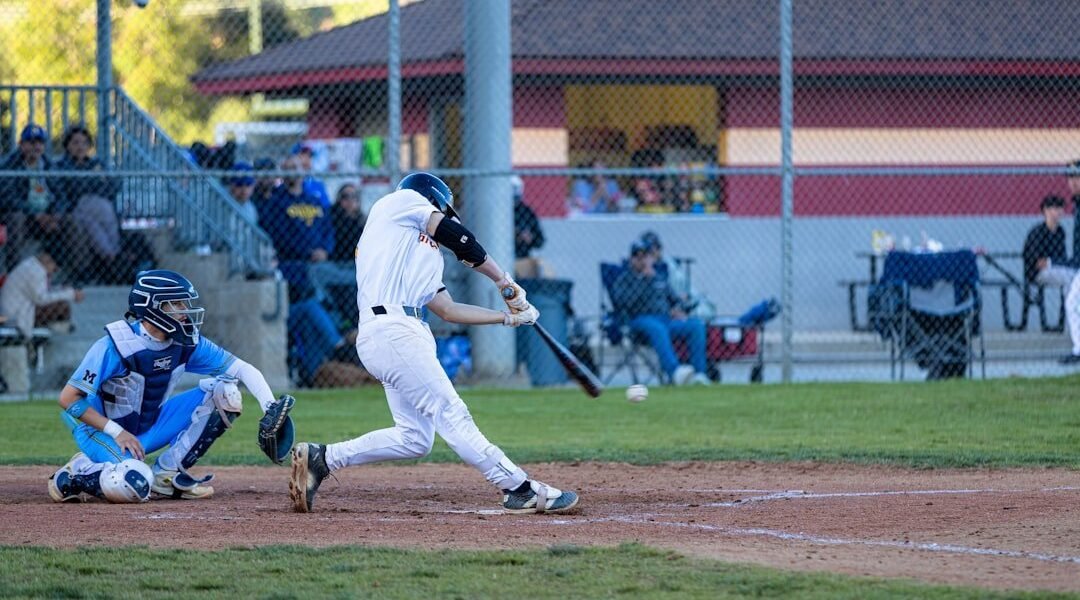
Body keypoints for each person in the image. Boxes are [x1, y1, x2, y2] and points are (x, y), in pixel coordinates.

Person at [289, 172, 579, 515]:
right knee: (451, 412)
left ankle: (324, 458)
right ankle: (518, 487)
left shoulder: (413, 251)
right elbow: (459, 238)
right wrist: (504, 280)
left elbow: (448, 309)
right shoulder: (400, 201)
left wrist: (507, 317)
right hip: (392, 328)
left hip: (402, 333)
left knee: (415, 438)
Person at [46, 269, 291, 503]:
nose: (186, 311)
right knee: (136, 481)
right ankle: (77, 472)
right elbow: (68, 398)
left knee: (226, 391)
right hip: (104, 434)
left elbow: (242, 369)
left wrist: (269, 406)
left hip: (150, 426)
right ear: (153, 307)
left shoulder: (185, 342)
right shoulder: (115, 345)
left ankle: (167, 475)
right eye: (178, 304)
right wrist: (116, 432)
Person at [611, 240, 710, 386]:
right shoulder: (624, 280)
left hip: (666, 319)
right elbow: (625, 304)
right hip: (640, 320)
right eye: (638, 257)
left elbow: (674, 300)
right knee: (656, 328)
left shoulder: (659, 277)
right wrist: (644, 280)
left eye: (645, 257)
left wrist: (679, 309)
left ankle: (699, 374)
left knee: (696, 325)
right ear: (631, 259)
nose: (642, 261)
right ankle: (675, 372)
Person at [258, 154, 334, 300]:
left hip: (322, 259)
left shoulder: (314, 201)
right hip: (294, 262)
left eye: (294, 168)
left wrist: (325, 250)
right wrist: (308, 253)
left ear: (303, 171)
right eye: (286, 169)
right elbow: (280, 235)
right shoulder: (276, 202)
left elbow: (328, 229)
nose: (291, 172)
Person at [53, 124, 122, 284]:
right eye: (75, 143)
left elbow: (114, 186)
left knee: (100, 213)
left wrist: (90, 185)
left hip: (97, 210)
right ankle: (113, 256)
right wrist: (93, 184)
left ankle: (110, 255)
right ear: (67, 145)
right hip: (75, 208)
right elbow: (69, 193)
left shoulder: (95, 164)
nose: (80, 147)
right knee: (91, 213)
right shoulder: (60, 167)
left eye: (84, 143)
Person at [1023, 195, 1080, 365]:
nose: (1056, 213)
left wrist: (1051, 262)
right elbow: (1036, 262)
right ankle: (1073, 313)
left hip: (1056, 270)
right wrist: (1050, 262)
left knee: (1070, 278)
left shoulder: (1060, 232)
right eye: (1052, 209)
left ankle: (1073, 315)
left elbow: (1059, 258)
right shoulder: (1038, 232)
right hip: (1037, 274)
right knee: (1071, 279)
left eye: (1059, 209)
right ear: (1044, 211)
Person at [0, 124, 59, 272]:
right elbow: (8, 198)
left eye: (40, 143)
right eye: (32, 142)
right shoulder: (9, 165)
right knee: (15, 218)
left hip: (46, 216)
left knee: (69, 220)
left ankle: (77, 275)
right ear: (22, 145)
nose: (37, 147)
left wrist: (54, 213)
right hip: (25, 217)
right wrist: (35, 214)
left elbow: (61, 195)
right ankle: (14, 272)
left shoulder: (49, 165)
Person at [0, 249, 84, 338]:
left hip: (15, 310)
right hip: (15, 316)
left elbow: (41, 291)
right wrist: (70, 294)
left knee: (60, 301)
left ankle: (54, 325)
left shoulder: (31, 264)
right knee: (62, 306)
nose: (52, 272)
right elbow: (41, 299)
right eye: (54, 269)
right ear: (48, 260)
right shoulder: (36, 271)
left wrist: (63, 290)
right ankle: (55, 326)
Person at [309, 183, 365, 308]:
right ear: (339, 199)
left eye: (354, 196)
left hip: (354, 267)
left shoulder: (363, 223)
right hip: (335, 265)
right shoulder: (332, 218)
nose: (350, 200)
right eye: (345, 196)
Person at [639, 230, 715, 320]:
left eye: (653, 250)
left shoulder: (671, 268)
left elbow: (686, 294)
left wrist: (684, 302)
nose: (650, 255)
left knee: (707, 309)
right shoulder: (637, 270)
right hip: (656, 312)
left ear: (659, 250)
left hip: (678, 306)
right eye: (647, 252)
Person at [511, 175, 547, 278]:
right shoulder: (498, 213)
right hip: (498, 256)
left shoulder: (526, 212)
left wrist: (529, 238)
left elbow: (540, 241)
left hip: (521, 257)